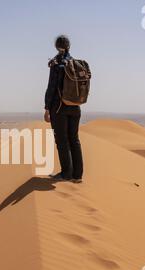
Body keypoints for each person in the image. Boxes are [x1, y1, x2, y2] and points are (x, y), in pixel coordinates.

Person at [44, 35, 83, 183]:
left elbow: (52, 87)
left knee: (62, 141)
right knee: (74, 139)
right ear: (69, 46)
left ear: (56, 46)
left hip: (59, 108)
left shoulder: (56, 64)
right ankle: (77, 175)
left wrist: (47, 108)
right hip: (75, 107)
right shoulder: (76, 64)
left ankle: (66, 173)